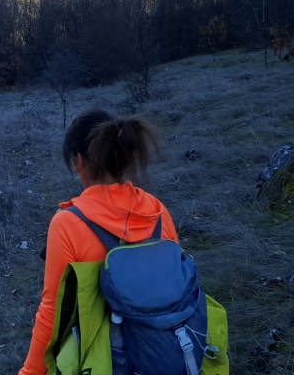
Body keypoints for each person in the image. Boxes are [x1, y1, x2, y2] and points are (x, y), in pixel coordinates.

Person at [19, 109, 178, 375]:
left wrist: (29, 372)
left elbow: (53, 314)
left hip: (107, 362)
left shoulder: (68, 223)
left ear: (80, 161)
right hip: (166, 355)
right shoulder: (157, 211)